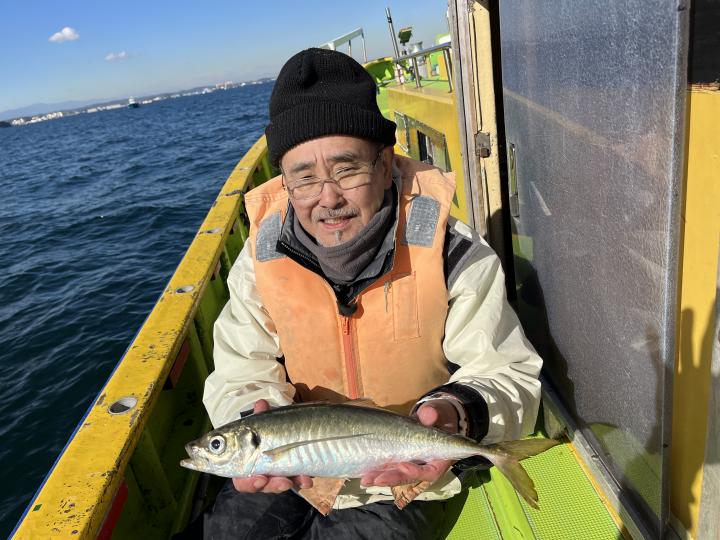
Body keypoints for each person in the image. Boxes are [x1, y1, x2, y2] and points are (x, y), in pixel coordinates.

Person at [200, 48, 542, 539]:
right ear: (284, 182)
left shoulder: (452, 251)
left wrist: (455, 412)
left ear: (384, 164)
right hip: (290, 472)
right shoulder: (260, 260)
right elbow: (240, 368)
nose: (328, 197)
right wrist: (256, 413)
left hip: (407, 477)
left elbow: (508, 372)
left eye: (347, 170)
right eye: (304, 177)